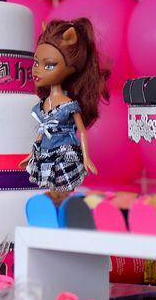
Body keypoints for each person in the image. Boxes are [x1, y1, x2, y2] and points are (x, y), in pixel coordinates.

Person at [19, 18, 110, 191]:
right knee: (51, 188)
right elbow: (42, 130)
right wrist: (32, 153)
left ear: (71, 68)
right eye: (36, 63)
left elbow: (81, 131)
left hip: (64, 150)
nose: (37, 70)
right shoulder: (44, 103)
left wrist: (86, 157)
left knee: (65, 185)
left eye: (49, 65)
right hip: (45, 152)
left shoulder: (68, 104)